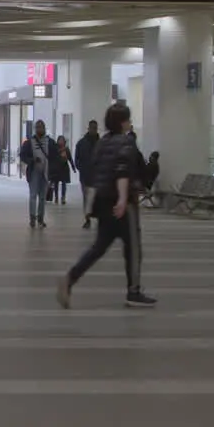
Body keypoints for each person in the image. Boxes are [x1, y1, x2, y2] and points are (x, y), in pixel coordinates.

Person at [58, 103, 156, 309]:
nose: (130, 122)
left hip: (102, 202)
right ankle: (134, 291)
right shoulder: (126, 143)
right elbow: (122, 171)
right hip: (122, 205)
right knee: (133, 249)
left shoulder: (102, 142)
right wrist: (122, 199)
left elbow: (96, 170)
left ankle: (70, 278)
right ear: (123, 122)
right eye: (128, 119)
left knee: (99, 247)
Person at [20, 120, 55, 228]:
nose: (40, 129)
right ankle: (32, 218)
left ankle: (40, 219)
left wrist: (53, 173)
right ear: (35, 129)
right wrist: (32, 160)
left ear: (44, 128)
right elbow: (22, 155)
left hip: (45, 172)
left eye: (41, 127)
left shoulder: (50, 142)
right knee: (33, 196)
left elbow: (55, 156)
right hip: (34, 172)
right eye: (38, 127)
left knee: (42, 197)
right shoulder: (29, 142)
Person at [74, 121, 100, 229]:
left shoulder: (101, 143)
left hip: (98, 176)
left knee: (98, 198)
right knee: (86, 198)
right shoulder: (81, 143)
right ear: (88, 128)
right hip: (85, 175)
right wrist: (81, 169)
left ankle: (99, 218)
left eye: (95, 128)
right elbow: (77, 159)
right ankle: (87, 218)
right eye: (92, 128)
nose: (93, 130)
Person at [49, 135, 74, 205]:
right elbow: (52, 158)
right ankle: (56, 197)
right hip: (56, 169)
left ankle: (63, 197)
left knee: (64, 184)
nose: (61, 142)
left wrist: (73, 167)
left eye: (62, 140)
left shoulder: (66, 149)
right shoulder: (55, 149)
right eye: (60, 140)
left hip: (64, 169)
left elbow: (70, 159)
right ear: (57, 141)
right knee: (56, 184)